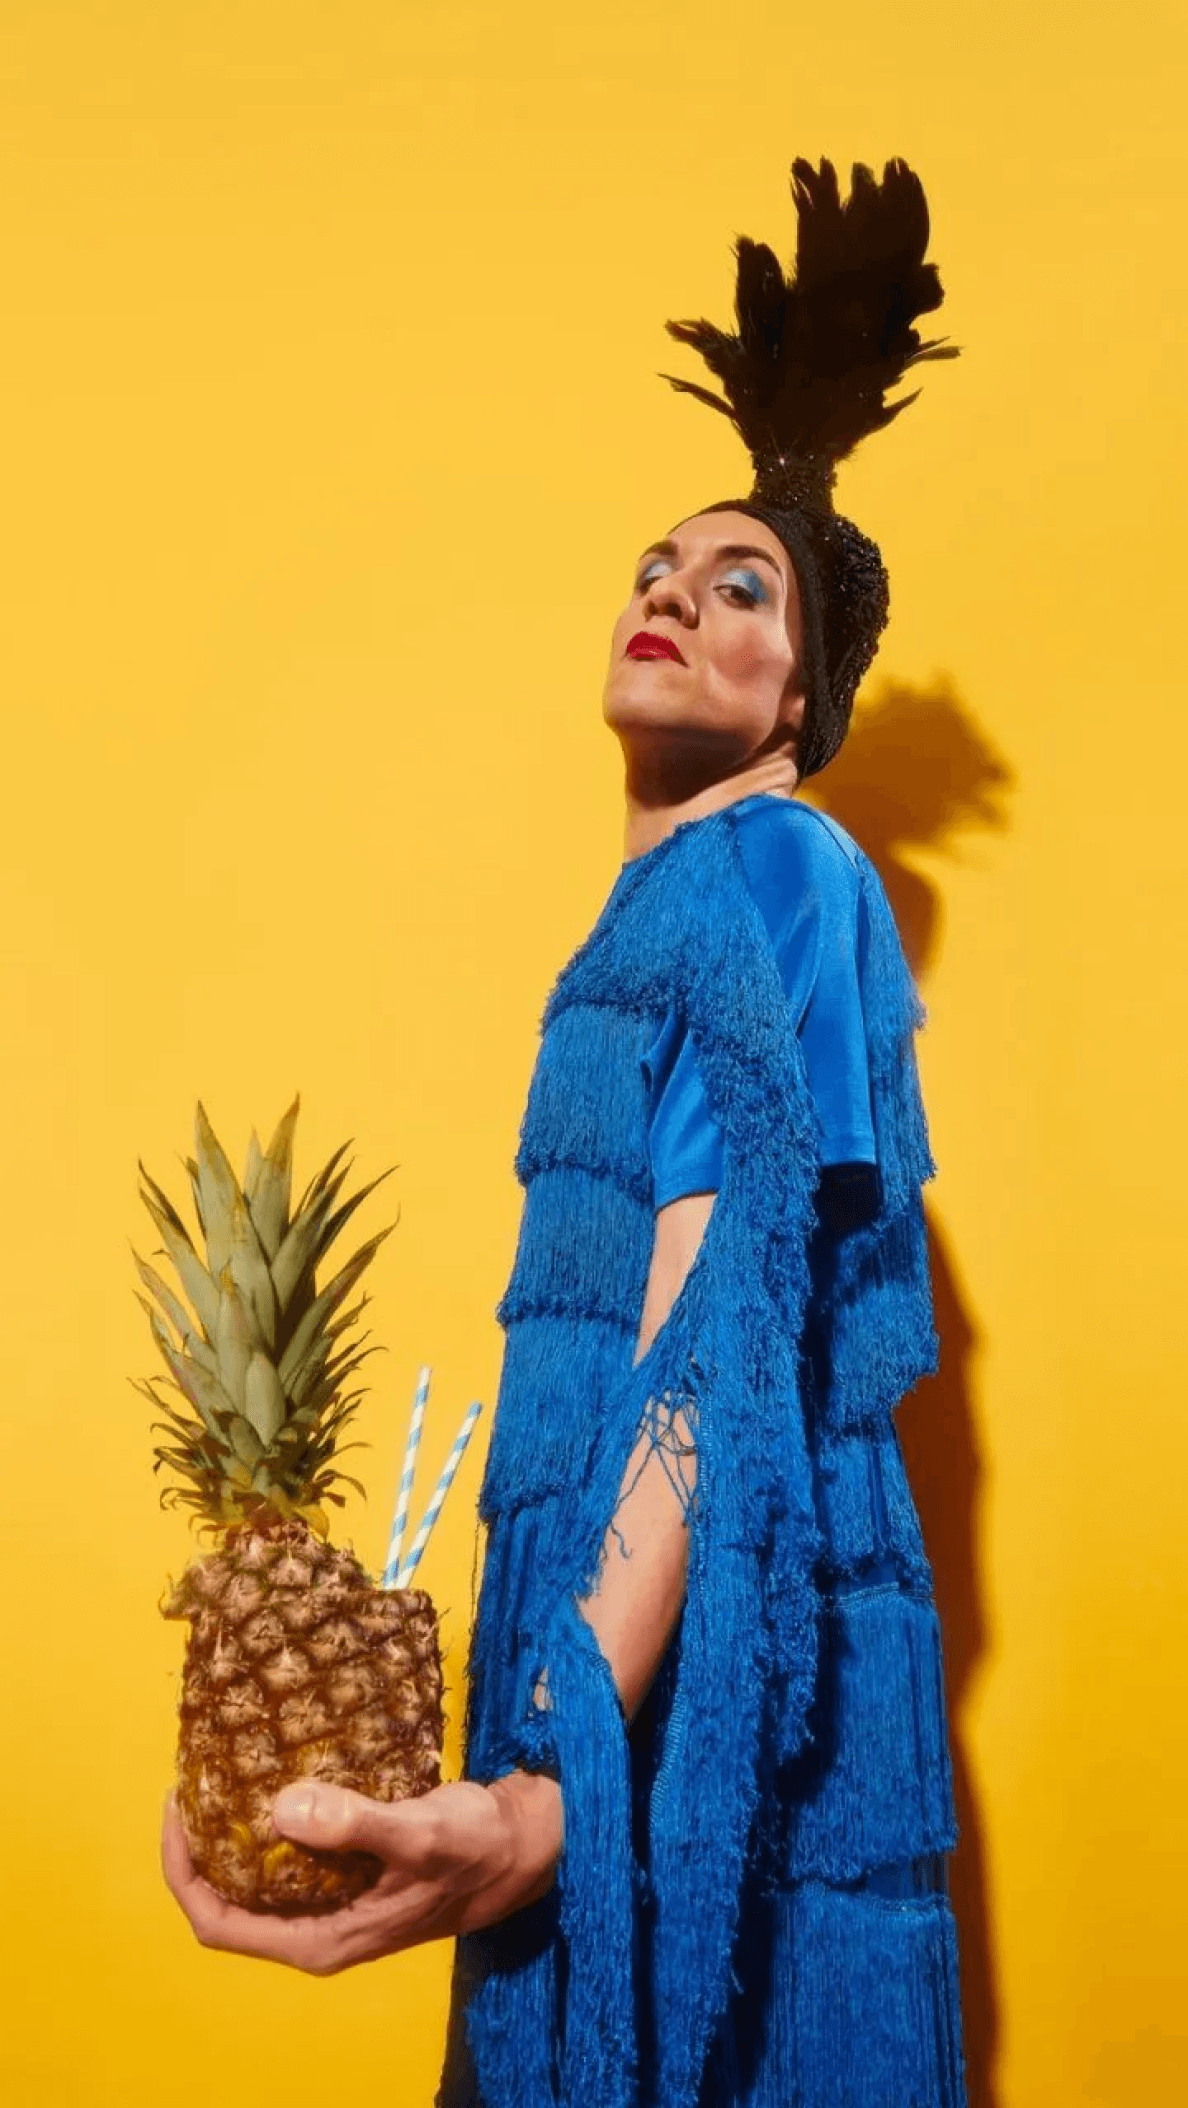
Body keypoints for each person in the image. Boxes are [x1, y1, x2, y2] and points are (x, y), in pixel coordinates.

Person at [163, 156, 967, 2108]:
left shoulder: (780, 863)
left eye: (740, 585)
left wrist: (555, 1779)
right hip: (610, 1653)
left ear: (804, 696)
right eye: (655, 567)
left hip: (685, 1684)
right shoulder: (659, 914)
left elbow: (724, 1315)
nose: (671, 592)